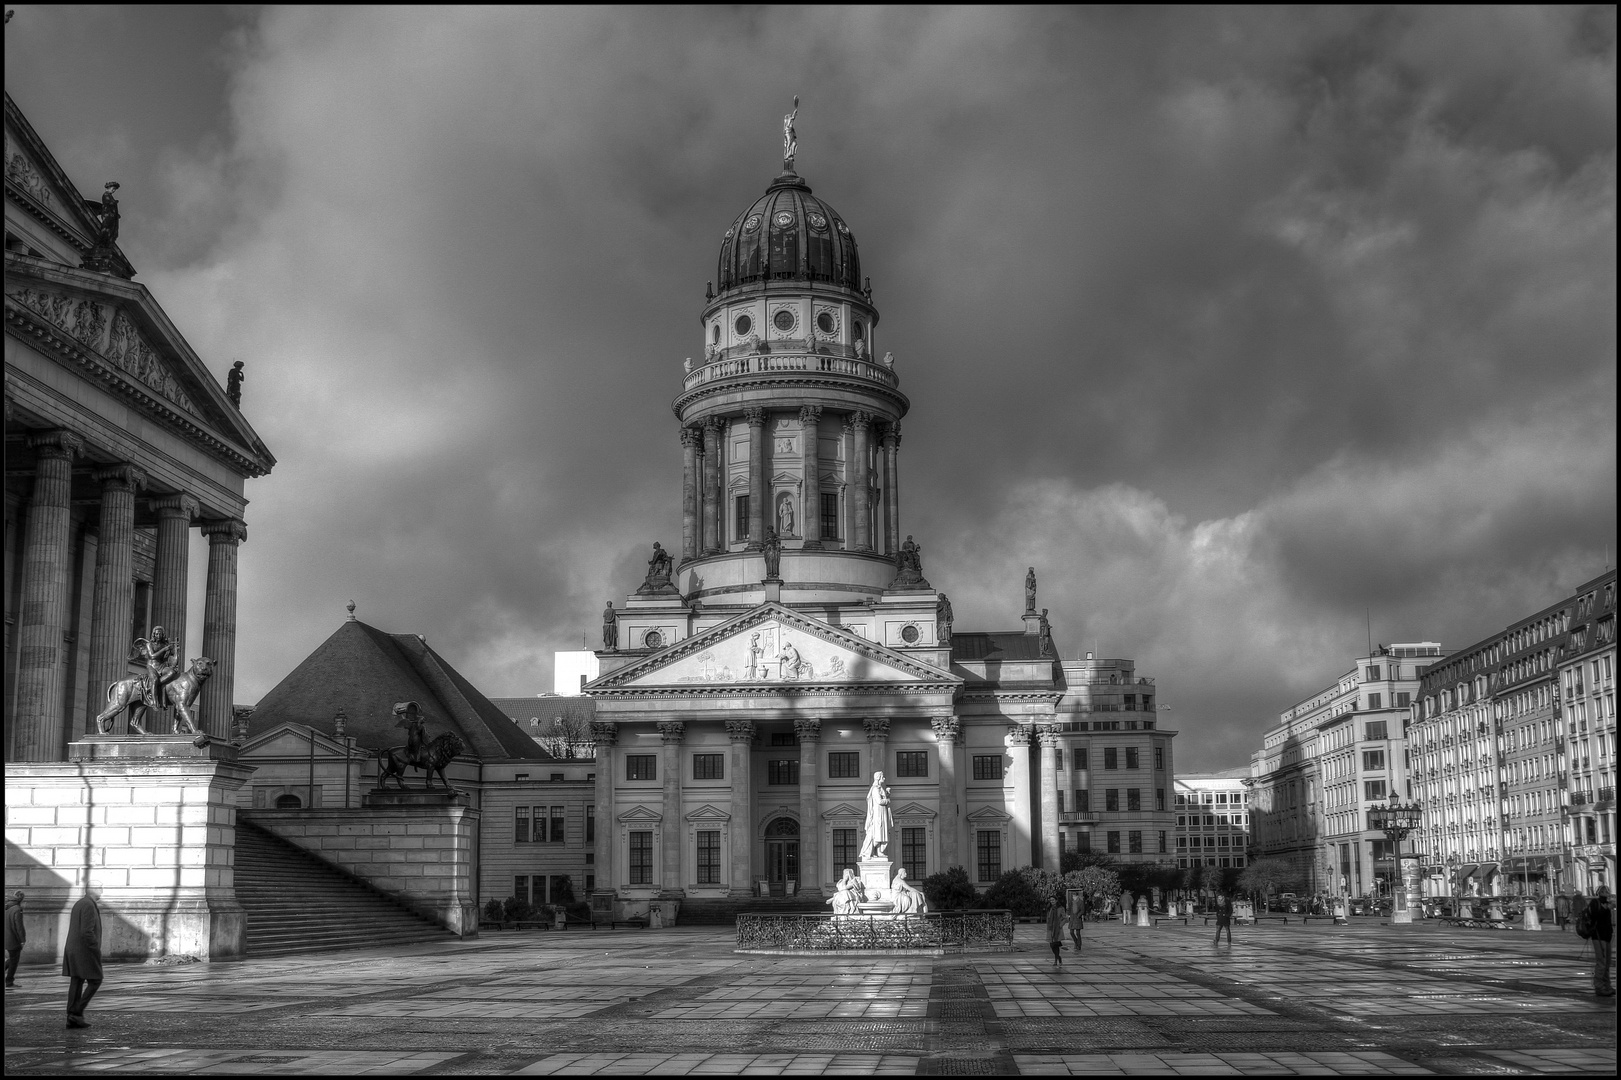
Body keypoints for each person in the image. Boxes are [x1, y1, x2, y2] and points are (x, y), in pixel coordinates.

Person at [62, 887, 103, 1028]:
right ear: (93, 890)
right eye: (100, 888)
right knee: (96, 979)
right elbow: (87, 931)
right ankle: (76, 1012)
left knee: (77, 980)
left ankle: (72, 1016)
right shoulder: (88, 905)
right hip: (84, 949)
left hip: (74, 948)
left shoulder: (80, 903)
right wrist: (95, 948)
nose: (102, 891)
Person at [1587, 886, 1613, 997]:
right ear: (1600, 892)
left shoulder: (1607, 903)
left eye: (1608, 891)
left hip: (1607, 937)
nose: (1607, 893)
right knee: (1601, 962)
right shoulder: (1595, 902)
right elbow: (1594, 916)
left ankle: (1607, 985)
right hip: (1598, 936)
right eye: (1605, 891)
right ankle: (1599, 986)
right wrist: (1605, 909)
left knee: (1607, 963)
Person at [4, 891, 24, 989]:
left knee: (12, 959)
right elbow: (19, 927)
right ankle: (9, 981)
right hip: (13, 938)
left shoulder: (7, 907)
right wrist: (22, 940)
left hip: (6, 937)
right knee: (14, 960)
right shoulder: (17, 909)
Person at [1045, 899, 1068, 966]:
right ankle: (1058, 958)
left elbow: (1065, 918)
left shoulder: (1060, 908)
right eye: (1051, 900)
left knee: (1056, 945)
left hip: (1057, 929)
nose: (1052, 901)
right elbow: (1048, 918)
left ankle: (1057, 960)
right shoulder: (1050, 908)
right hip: (1051, 929)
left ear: (1056, 900)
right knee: (1052, 945)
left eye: (1053, 900)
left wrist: (1060, 925)